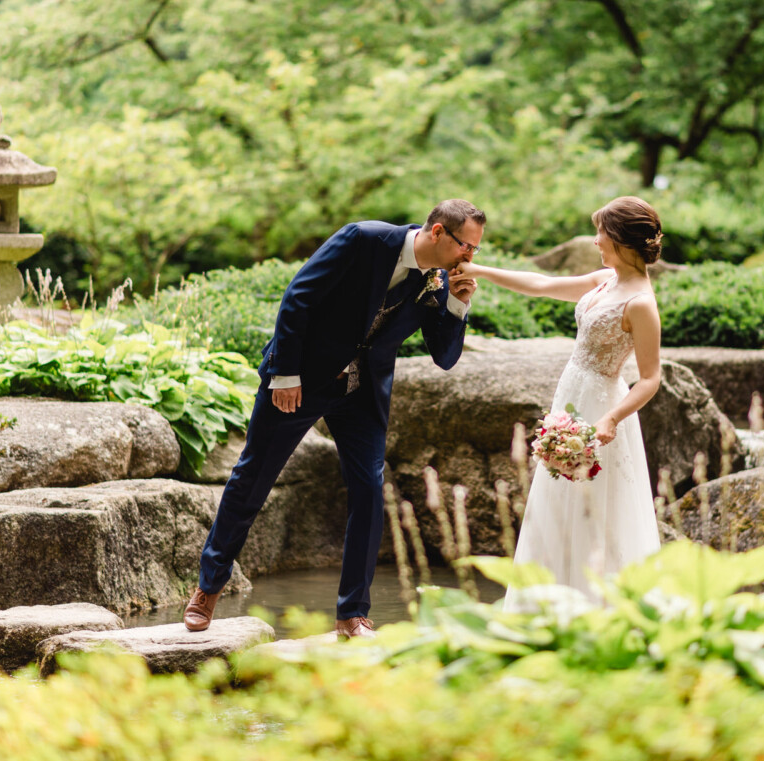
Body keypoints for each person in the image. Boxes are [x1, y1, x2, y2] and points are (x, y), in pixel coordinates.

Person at [184, 200, 485, 637]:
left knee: (368, 490)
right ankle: (208, 588)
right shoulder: (363, 238)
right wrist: (285, 374)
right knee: (252, 480)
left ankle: (352, 615)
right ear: (438, 232)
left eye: (475, 250)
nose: (470, 258)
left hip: (362, 393)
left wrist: (457, 306)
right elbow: (298, 298)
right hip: (300, 378)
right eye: (466, 246)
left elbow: (443, 356)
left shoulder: (439, 281)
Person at [452, 196, 662, 605]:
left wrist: (612, 419)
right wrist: (479, 270)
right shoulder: (606, 280)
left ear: (621, 239)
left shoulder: (640, 303)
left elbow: (651, 378)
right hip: (570, 399)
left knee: (596, 513)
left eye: (602, 232)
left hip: (601, 413)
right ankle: (545, 607)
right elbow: (542, 286)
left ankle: (597, 609)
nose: (596, 240)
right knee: (554, 502)